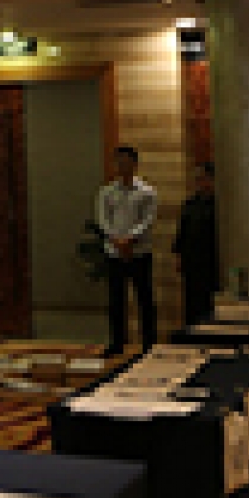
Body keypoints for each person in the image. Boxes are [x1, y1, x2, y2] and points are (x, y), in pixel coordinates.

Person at [95, 144, 159, 355]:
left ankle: (149, 343)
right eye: (118, 162)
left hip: (139, 251)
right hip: (114, 251)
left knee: (144, 298)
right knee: (116, 299)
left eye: (126, 161)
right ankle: (117, 342)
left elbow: (147, 220)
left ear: (134, 163)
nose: (122, 165)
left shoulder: (147, 192)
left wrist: (130, 239)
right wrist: (116, 240)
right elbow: (103, 220)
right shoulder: (106, 192)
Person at [172, 161, 218, 326]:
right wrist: (179, 256)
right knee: (191, 303)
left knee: (209, 305)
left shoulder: (218, 205)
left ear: (211, 179)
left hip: (210, 262)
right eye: (196, 179)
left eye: (202, 178)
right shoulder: (190, 204)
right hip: (191, 261)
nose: (198, 183)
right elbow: (182, 232)